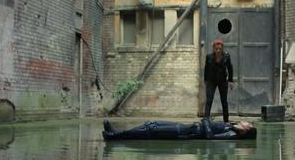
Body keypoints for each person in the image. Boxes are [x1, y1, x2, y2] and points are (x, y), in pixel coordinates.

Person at [102, 118, 256, 140]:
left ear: (245, 131)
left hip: (185, 133)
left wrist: (206, 121)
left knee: (151, 131)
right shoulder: (230, 125)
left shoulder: (230, 135)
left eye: (247, 124)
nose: (244, 121)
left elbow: (210, 137)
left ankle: (114, 137)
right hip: (185, 127)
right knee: (150, 124)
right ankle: (115, 133)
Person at [204, 38, 234, 123]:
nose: (218, 50)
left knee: (224, 101)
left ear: (222, 49)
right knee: (209, 100)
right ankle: (206, 120)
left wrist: (231, 81)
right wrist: (205, 80)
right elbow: (206, 68)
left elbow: (230, 68)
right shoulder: (209, 57)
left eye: (220, 49)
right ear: (213, 48)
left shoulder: (226, 56)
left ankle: (226, 121)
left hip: (222, 81)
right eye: (216, 49)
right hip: (211, 80)